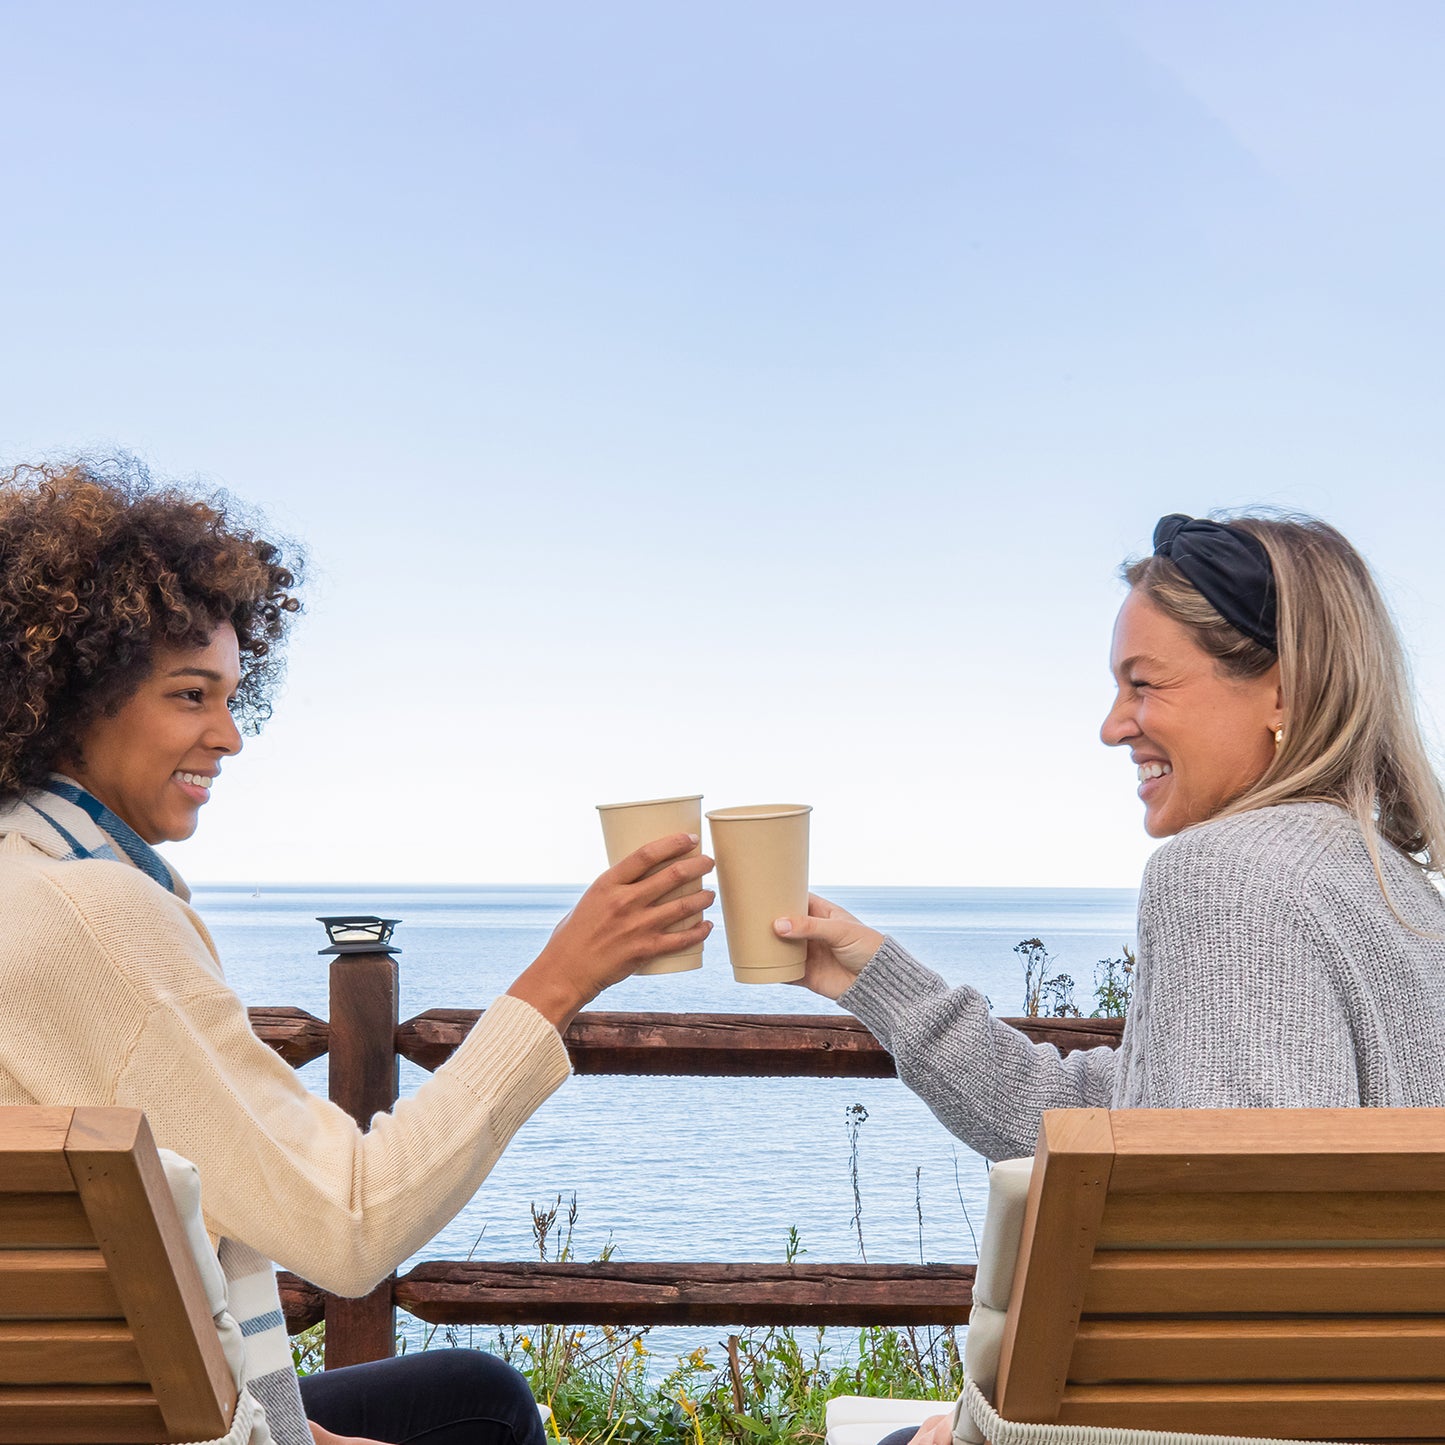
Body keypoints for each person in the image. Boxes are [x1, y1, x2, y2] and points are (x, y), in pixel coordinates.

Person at [0, 459, 715, 1445]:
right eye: (189, 695)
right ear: (73, 697)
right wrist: (565, 973)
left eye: (232, 695)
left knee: (472, 1392)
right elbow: (350, 1219)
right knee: (483, 1410)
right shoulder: (92, 916)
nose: (229, 735)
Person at [770, 512, 1445, 1445]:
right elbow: (1126, 1121)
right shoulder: (1400, 893)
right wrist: (881, 981)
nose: (1110, 725)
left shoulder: (1223, 872)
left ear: (1280, 688)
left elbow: (1219, 1287)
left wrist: (972, 1423)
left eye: (1143, 684)